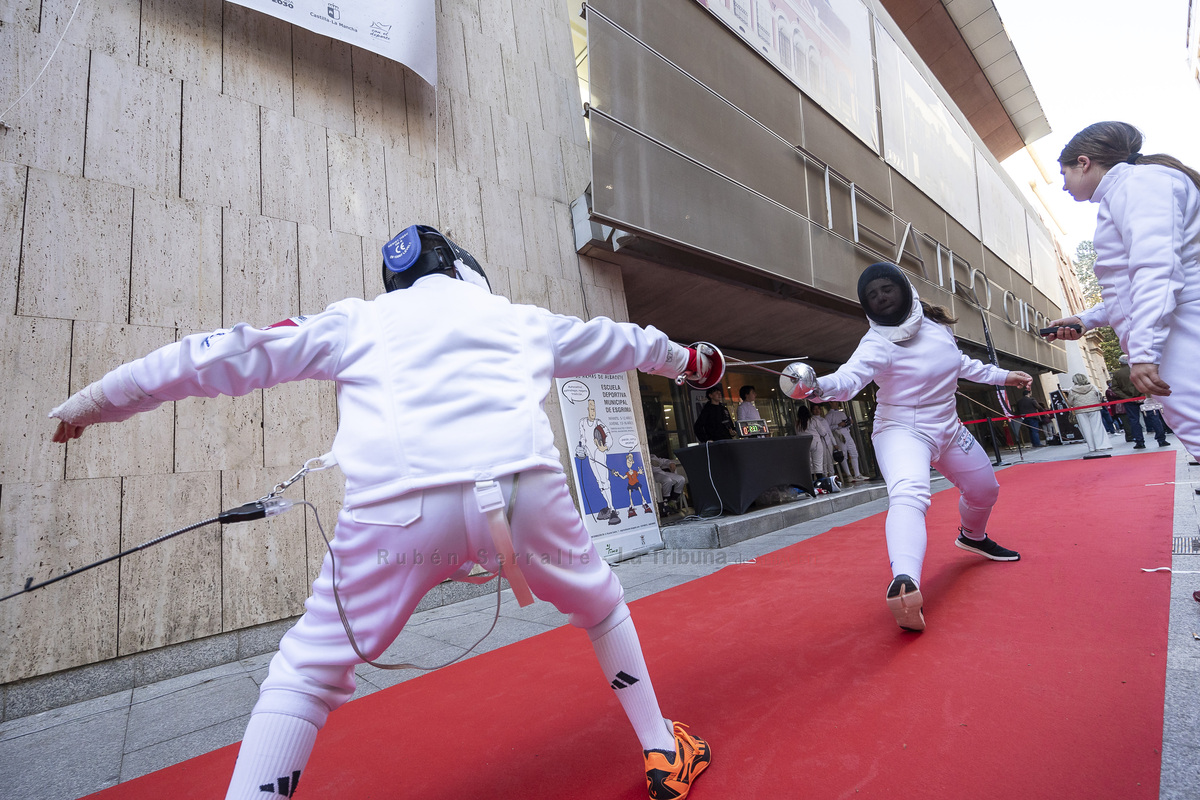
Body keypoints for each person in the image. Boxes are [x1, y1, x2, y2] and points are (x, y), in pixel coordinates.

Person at [48, 225, 712, 800]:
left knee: (305, 674)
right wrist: (695, 364)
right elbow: (627, 343)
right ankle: (660, 747)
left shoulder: (358, 319)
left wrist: (96, 401)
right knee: (599, 604)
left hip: (398, 512)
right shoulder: (519, 319)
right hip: (524, 494)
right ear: (462, 270)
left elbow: (222, 352)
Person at [799, 262, 1032, 632]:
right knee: (909, 496)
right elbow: (848, 380)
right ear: (867, 304)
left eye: (886, 288)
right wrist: (814, 386)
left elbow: (960, 364)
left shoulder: (935, 327)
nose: (881, 296)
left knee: (985, 489)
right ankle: (905, 582)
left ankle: (972, 538)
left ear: (903, 288)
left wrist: (1004, 376)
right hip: (902, 432)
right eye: (873, 294)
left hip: (948, 428)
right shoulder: (876, 343)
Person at [1044, 121, 1200, 457]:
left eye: (1064, 173)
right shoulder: (1132, 187)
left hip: (1182, 328)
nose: (1063, 185)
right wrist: (1085, 320)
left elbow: (1155, 270)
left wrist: (1144, 352)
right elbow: (1132, 284)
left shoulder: (1139, 184)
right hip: (1176, 328)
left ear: (1083, 162)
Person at [1066, 373, 1113, 453]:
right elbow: (1099, 397)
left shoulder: (1072, 390)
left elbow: (1070, 402)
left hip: (1080, 411)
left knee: (1086, 429)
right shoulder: (1093, 387)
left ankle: (1092, 447)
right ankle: (1101, 445)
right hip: (1094, 408)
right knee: (1097, 427)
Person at [1110, 354, 1147, 449]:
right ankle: (1161, 439)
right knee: (1152, 416)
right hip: (1142, 397)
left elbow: (1115, 388)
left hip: (1129, 399)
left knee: (1134, 420)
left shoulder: (1118, 374)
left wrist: (1125, 397)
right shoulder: (1138, 370)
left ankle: (1140, 441)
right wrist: (1142, 394)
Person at [795, 402, 834, 482]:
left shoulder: (797, 423)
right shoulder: (813, 420)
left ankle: (812, 483)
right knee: (818, 463)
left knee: (810, 465)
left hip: (804, 445)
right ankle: (820, 481)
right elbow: (823, 432)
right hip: (816, 443)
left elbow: (797, 434)